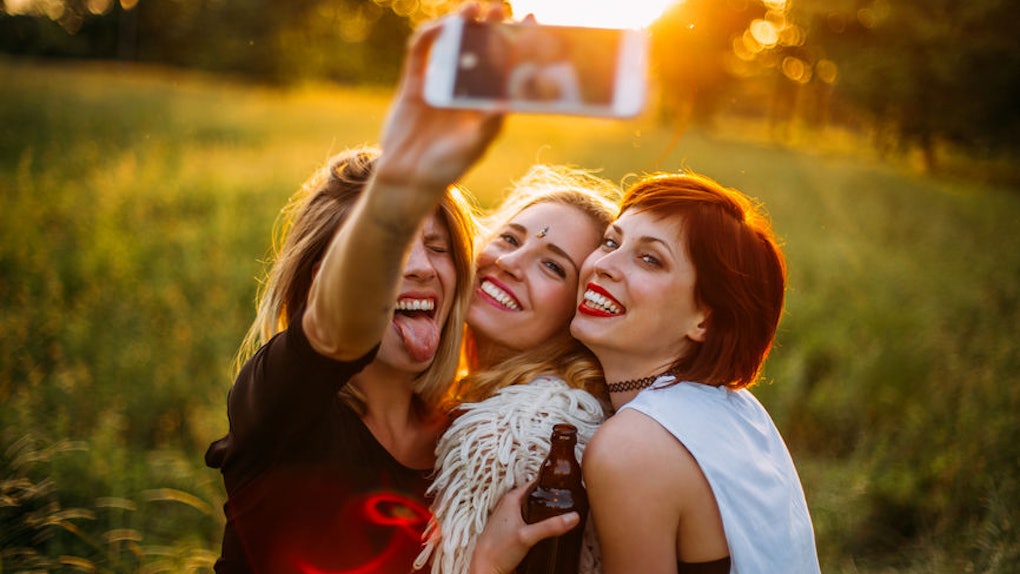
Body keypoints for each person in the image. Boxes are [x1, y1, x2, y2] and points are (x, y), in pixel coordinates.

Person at [203, 4, 506, 573]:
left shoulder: (473, 438)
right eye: (393, 247)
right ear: (322, 278)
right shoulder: (281, 410)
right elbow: (333, 331)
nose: (420, 268)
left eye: (438, 248)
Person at [473, 172, 821, 573]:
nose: (604, 266)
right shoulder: (741, 412)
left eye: (650, 259)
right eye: (611, 242)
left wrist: (486, 566)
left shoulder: (631, 446)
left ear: (705, 321)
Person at [415, 165, 618, 574]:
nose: (509, 261)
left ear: (580, 311)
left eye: (553, 267)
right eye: (510, 238)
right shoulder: (478, 394)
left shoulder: (513, 438)